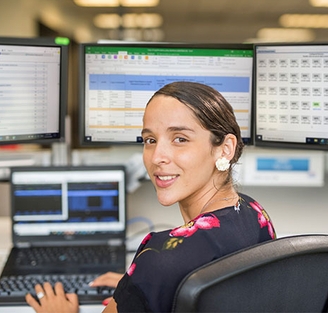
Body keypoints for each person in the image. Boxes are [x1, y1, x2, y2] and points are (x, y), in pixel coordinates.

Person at [26, 81, 276, 313]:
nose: (157, 157)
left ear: (225, 148)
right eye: (150, 140)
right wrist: (137, 287)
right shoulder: (254, 213)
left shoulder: (160, 258)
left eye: (180, 139)